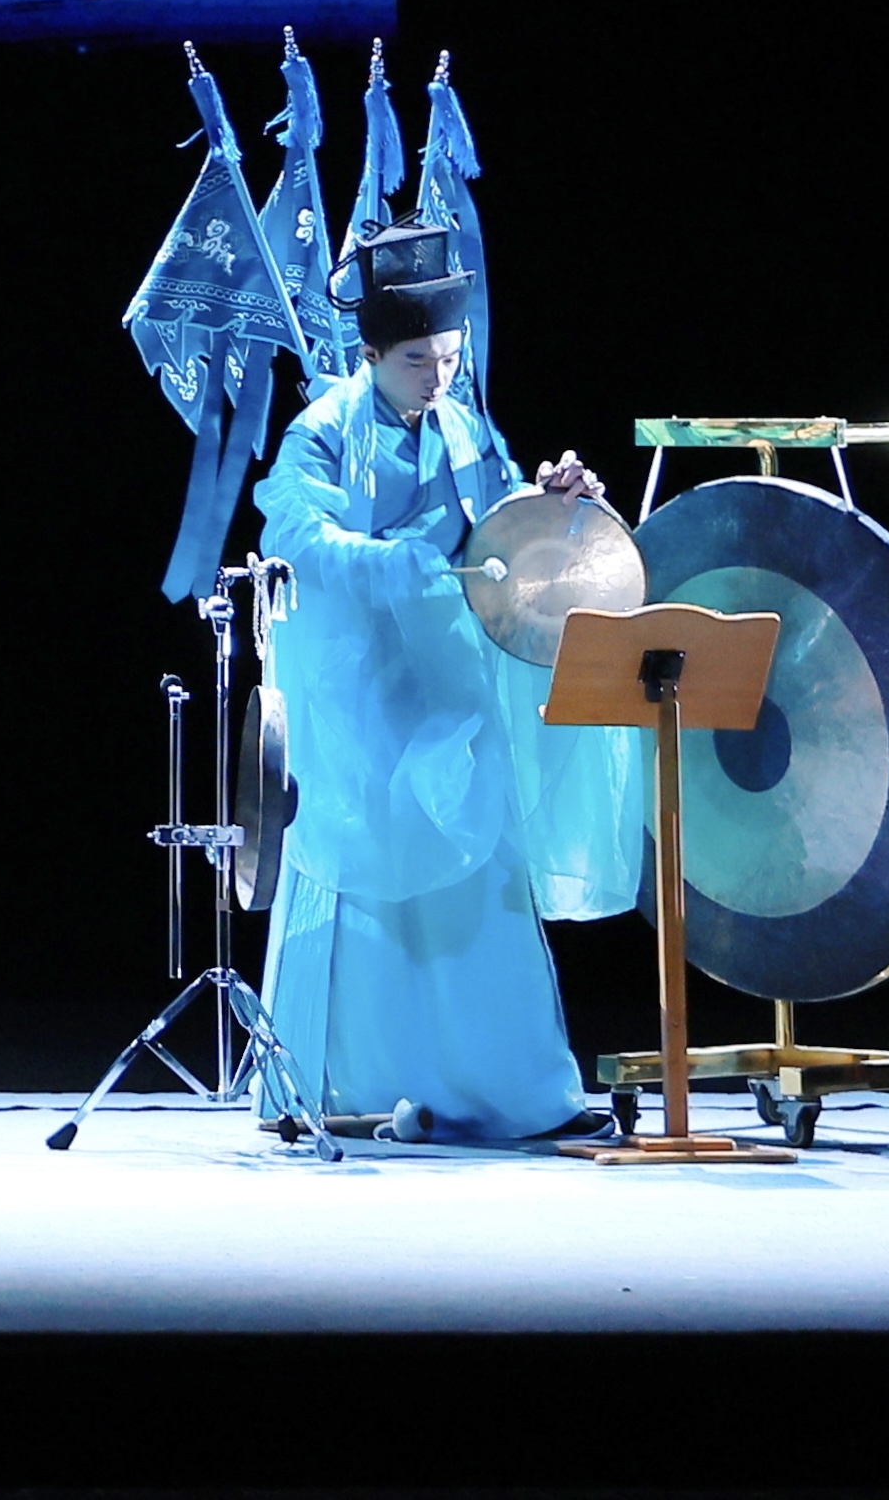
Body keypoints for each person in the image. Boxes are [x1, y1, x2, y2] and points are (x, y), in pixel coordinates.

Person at [243, 220, 644, 1142]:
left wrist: (550, 498)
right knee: (362, 875)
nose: (437, 376)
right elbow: (290, 531)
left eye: (450, 358)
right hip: (359, 695)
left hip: (448, 686)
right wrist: (383, 561)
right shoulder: (323, 430)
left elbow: (498, 527)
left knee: (482, 878)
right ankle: (332, 1087)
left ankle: (514, 1093)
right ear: (371, 353)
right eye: (417, 359)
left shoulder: (462, 425)